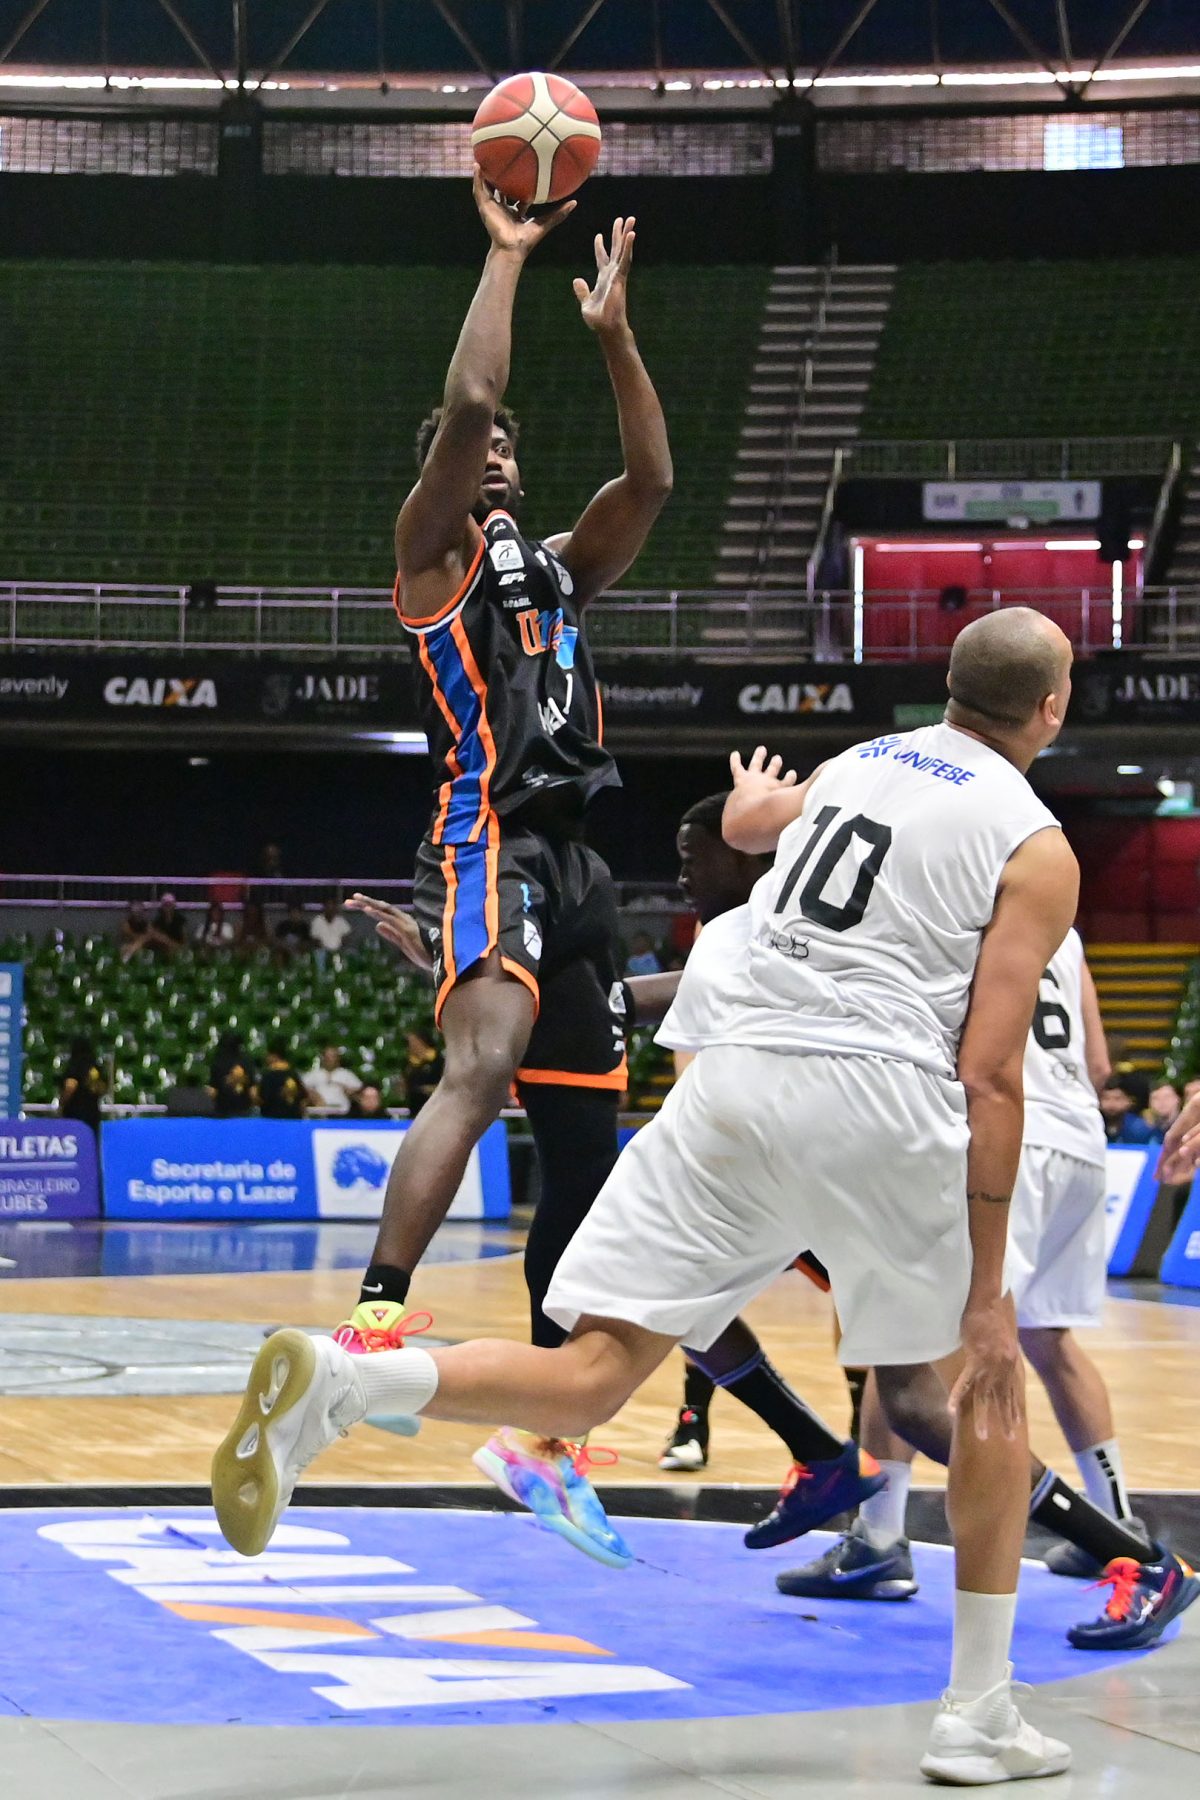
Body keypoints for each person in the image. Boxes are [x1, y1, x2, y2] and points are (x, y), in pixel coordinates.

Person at [215, 611, 1200, 1782]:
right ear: (1054, 705)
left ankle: (349, 1378)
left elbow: (749, 828)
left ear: (946, 686)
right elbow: (991, 1073)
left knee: (594, 1374)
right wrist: (990, 1293)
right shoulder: (1036, 844)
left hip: (730, 1076)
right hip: (878, 1096)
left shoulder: (859, 763)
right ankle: (980, 1713)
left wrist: (750, 811)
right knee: (983, 1385)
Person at [332, 178, 671, 1411]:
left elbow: (651, 483)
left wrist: (616, 338)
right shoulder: (433, 557)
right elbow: (472, 400)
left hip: (580, 867)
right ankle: (372, 1322)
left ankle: (540, 1423)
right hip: (489, 838)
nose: (495, 453)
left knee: (585, 1146)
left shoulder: (562, 568)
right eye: (478, 448)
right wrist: (510, 254)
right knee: (480, 1073)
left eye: (510, 448)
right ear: (444, 467)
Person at [780, 927, 1156, 1600]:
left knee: (903, 1337)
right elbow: (1100, 1064)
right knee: (1051, 1340)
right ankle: (1117, 1522)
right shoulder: (1066, 931)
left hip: (1012, 1136)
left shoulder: (963, 905)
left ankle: (877, 1540)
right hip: (1080, 1142)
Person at [58, 1036, 107, 1132]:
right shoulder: (96, 1068)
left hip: (75, 1112)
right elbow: (102, 1088)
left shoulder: (75, 1064)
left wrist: (62, 1102)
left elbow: (70, 1085)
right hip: (93, 1113)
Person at [304, 1044, 363, 1116]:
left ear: (338, 1058)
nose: (330, 1059)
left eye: (333, 1056)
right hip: (319, 1112)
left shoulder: (346, 1074)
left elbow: (360, 1089)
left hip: (341, 1112)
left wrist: (348, 1090)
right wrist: (313, 1094)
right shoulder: (313, 1074)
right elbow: (302, 1087)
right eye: (327, 1056)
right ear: (323, 1058)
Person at [208, 1032, 256, 1119]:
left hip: (223, 1111)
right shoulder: (247, 1061)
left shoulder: (218, 1062)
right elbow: (253, 1092)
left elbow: (212, 1092)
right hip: (244, 1110)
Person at [1100, 1072, 1154, 1144]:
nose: (1111, 1104)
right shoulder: (1093, 1124)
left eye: (1117, 1099)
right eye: (1106, 1098)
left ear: (1129, 1101)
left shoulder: (1139, 1129)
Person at [257, 1040, 306, 1119]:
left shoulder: (268, 1075)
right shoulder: (293, 1074)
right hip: (294, 1119)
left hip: (272, 1120)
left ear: (274, 1056)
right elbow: (303, 1097)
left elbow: (263, 1098)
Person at [400, 1028, 443, 1116]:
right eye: (409, 1043)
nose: (411, 1045)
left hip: (434, 1105)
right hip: (414, 1107)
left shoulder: (438, 1060)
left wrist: (430, 1088)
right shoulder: (408, 1063)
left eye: (414, 1041)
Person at [310, 891, 351, 966]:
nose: (330, 908)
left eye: (332, 906)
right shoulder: (317, 921)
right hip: (322, 952)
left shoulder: (341, 921)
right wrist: (326, 950)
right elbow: (314, 939)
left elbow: (346, 937)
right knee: (319, 955)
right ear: (324, 907)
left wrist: (340, 947)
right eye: (328, 906)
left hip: (338, 951)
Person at [150, 893, 186, 958]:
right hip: (163, 946)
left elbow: (184, 937)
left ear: (173, 906)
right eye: (166, 905)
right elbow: (155, 935)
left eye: (170, 905)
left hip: (176, 945)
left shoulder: (180, 919)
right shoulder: (158, 920)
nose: (168, 908)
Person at [118, 900, 152, 965]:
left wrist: (142, 939)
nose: (137, 911)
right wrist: (141, 938)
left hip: (144, 945)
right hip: (129, 943)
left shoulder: (146, 923)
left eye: (139, 909)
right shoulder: (126, 922)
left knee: (139, 944)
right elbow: (129, 934)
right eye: (135, 909)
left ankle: (125, 959)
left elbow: (149, 935)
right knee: (126, 948)